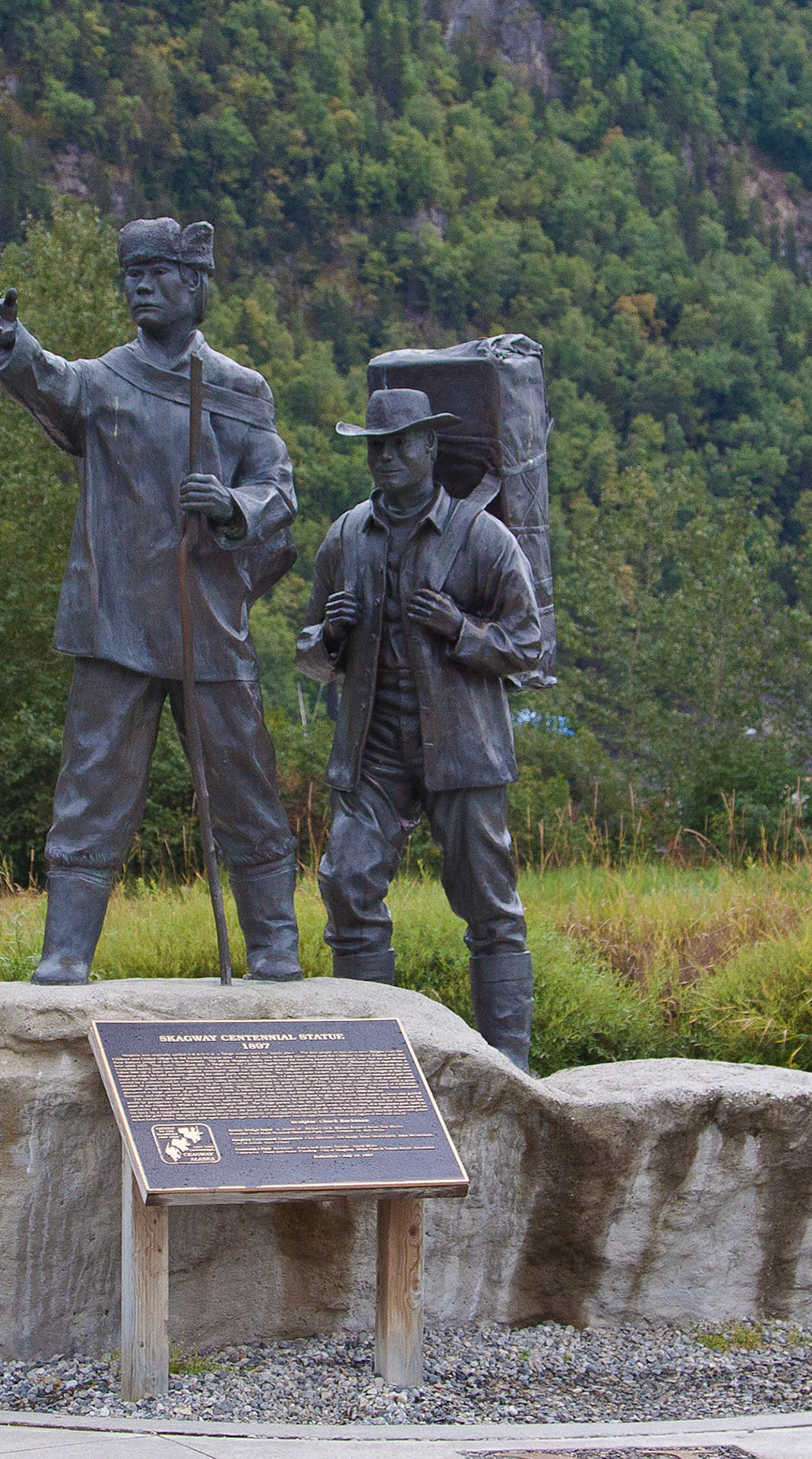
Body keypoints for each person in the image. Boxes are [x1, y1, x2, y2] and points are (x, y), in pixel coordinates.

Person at [0, 217, 302, 983]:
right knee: (93, 783)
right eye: (132, 275)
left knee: (242, 781)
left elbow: (278, 489)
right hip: (117, 620)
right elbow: (47, 380)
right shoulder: (105, 380)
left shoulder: (239, 389)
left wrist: (229, 505)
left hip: (208, 621)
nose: (140, 287)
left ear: (195, 285)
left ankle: (275, 944)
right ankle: (66, 951)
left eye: (156, 274)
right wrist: (14, 342)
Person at [296, 388, 544, 1067]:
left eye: (400, 443)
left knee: (489, 905)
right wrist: (331, 636)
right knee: (346, 881)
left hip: (463, 749)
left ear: (430, 448)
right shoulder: (346, 537)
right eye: (376, 445)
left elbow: (528, 642)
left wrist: (459, 629)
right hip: (373, 746)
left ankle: (511, 1070)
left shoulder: (481, 537)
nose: (385, 457)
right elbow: (308, 653)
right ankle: (366, 1064)